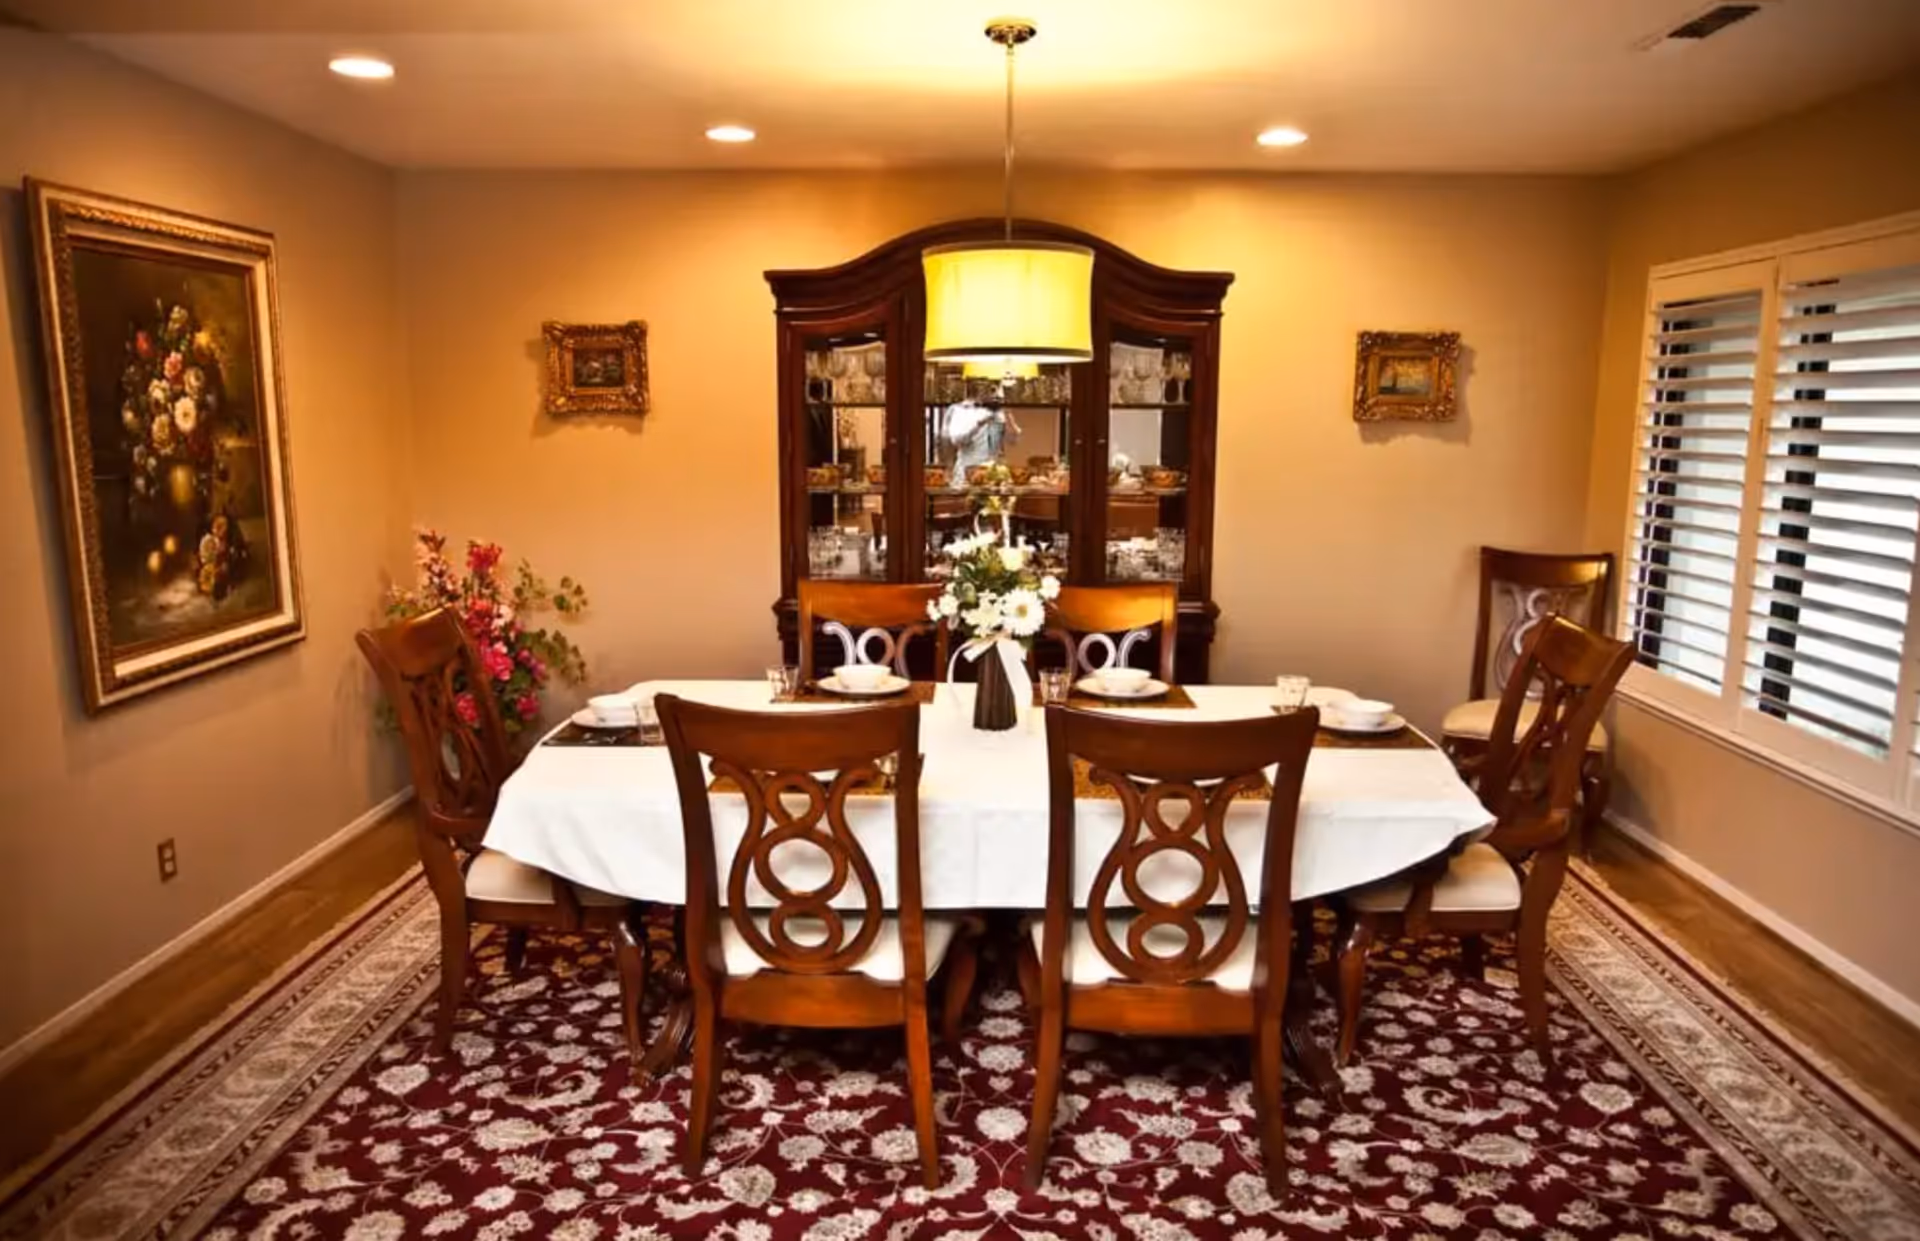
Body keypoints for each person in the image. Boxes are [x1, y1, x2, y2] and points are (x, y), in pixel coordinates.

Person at [945, 401, 1021, 475]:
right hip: (967, 472)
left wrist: (1009, 416)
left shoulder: (1000, 413)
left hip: (993, 472)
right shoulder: (960, 410)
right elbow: (956, 440)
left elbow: (1013, 441)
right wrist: (978, 425)